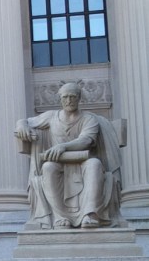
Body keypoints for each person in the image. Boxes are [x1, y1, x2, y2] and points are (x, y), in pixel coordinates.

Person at [15, 81, 123, 229]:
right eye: (65, 97)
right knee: (47, 167)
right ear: (60, 99)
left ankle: (89, 214)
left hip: (83, 161)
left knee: (95, 164)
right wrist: (22, 126)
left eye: (73, 96)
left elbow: (86, 140)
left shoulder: (89, 119)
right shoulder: (51, 116)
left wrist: (62, 147)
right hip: (59, 162)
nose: (69, 100)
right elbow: (25, 121)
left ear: (79, 98)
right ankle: (60, 217)